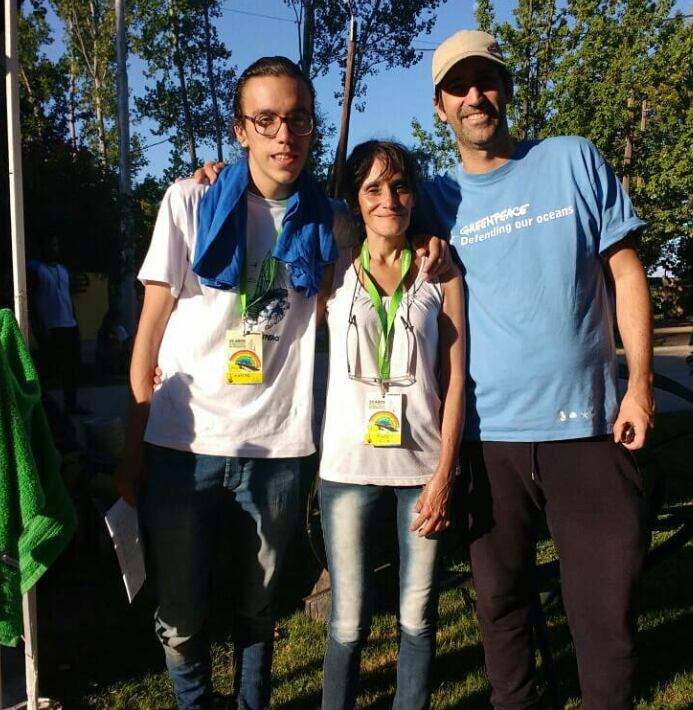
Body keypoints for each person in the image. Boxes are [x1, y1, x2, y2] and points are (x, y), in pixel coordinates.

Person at [118, 56, 447, 710]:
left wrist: (430, 241)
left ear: (311, 127)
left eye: (297, 119)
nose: (282, 135)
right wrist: (131, 455)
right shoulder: (190, 200)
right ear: (240, 130)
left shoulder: (330, 222)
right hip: (182, 449)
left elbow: (390, 228)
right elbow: (147, 334)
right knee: (180, 615)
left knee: (259, 608)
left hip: (278, 453)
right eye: (264, 120)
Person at [411, 30, 654, 710]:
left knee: (605, 616)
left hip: (590, 428)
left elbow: (624, 270)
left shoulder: (571, 160)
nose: (474, 96)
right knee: (501, 611)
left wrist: (636, 385)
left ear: (507, 88)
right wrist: (228, 171)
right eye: (458, 87)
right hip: (487, 443)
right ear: (439, 107)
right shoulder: (430, 199)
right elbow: (351, 222)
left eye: (485, 80)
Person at [317, 141, 465, 709]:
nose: (389, 200)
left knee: (417, 619)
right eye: (374, 188)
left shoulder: (442, 272)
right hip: (347, 470)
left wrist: (446, 471)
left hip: (423, 470)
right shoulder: (333, 270)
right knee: (348, 624)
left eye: (400, 187)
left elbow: (455, 379)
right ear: (356, 200)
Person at [27, 234, 89, 415]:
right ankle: (39, 404)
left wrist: (75, 320)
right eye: (50, 245)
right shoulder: (35, 269)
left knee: (71, 367)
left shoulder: (62, 269)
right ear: (42, 247)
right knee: (49, 367)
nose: (54, 248)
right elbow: (32, 300)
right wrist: (39, 327)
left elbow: (67, 297)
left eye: (56, 245)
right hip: (50, 326)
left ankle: (71, 404)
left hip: (68, 324)